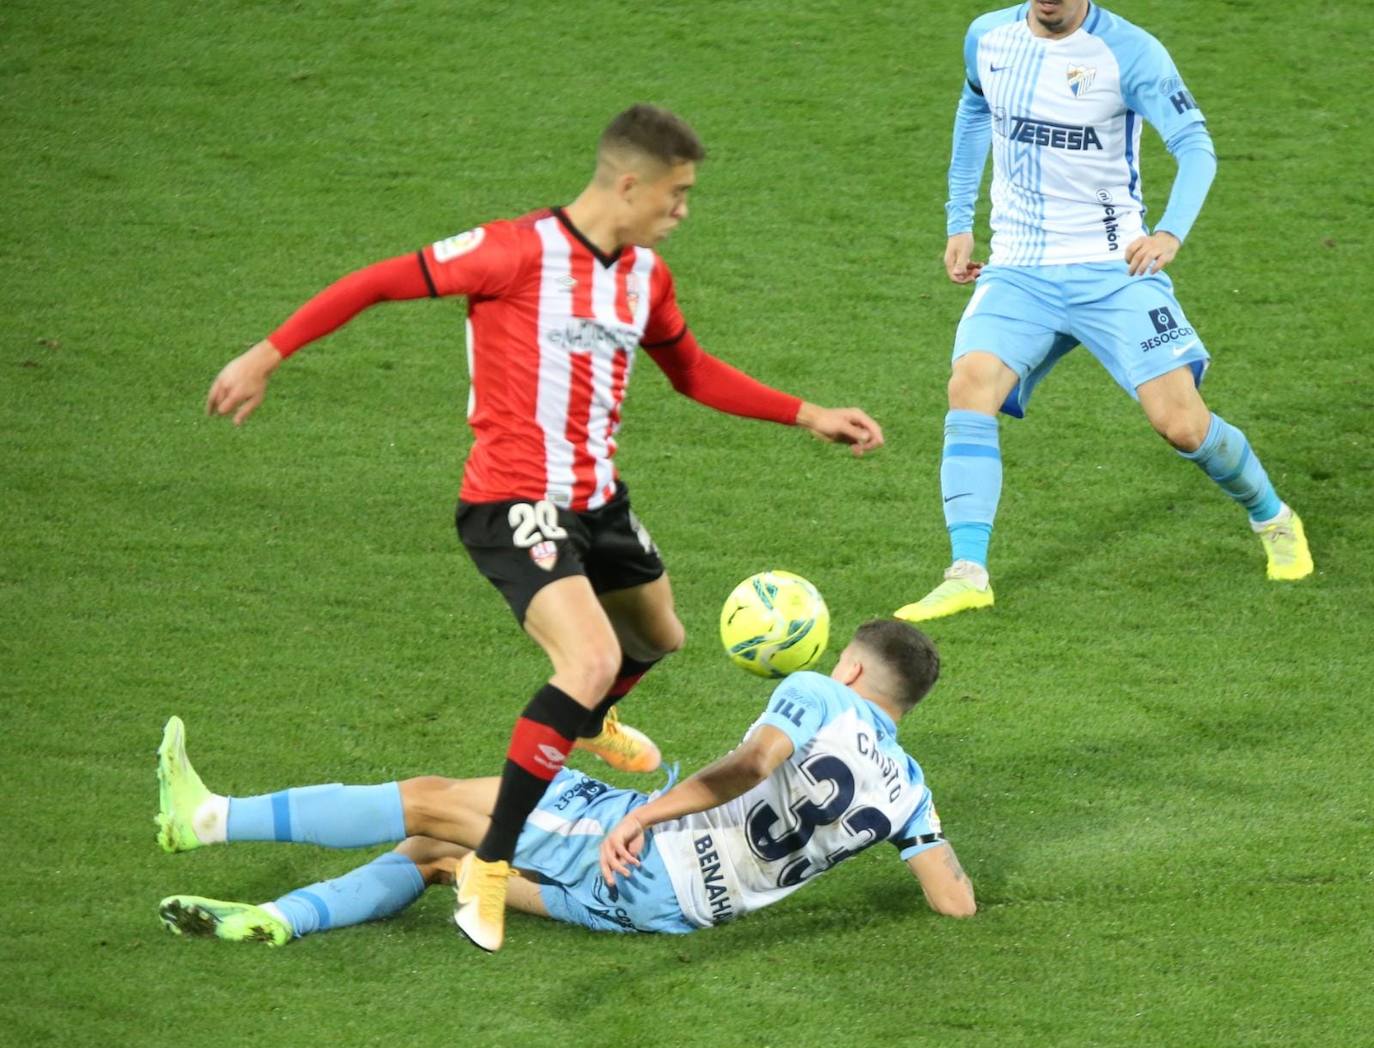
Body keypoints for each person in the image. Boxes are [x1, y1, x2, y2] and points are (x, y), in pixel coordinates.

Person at [202, 104, 884, 950]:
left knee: (658, 634)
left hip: (598, 501)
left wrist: (808, 413)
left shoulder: (646, 278)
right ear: (628, 183)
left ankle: (585, 718)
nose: (684, 212)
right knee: (588, 658)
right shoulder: (513, 251)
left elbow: (693, 370)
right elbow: (376, 281)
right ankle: (488, 863)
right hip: (512, 499)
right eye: (676, 195)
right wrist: (266, 353)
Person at [154, 620, 975, 947]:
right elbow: (953, 900)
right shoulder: (911, 789)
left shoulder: (822, 693)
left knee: (436, 796)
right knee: (443, 853)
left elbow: (750, 767)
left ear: (856, 665)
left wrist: (644, 813)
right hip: (676, 914)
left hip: (648, 854)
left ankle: (210, 819)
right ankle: (275, 919)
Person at [895, 0, 1313, 624]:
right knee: (969, 384)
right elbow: (974, 107)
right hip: (1019, 269)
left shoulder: (1131, 51)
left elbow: (1195, 146)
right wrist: (960, 220)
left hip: (1113, 270)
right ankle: (968, 572)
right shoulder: (987, 36)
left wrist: (1170, 232)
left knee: (1182, 425)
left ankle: (1272, 517)